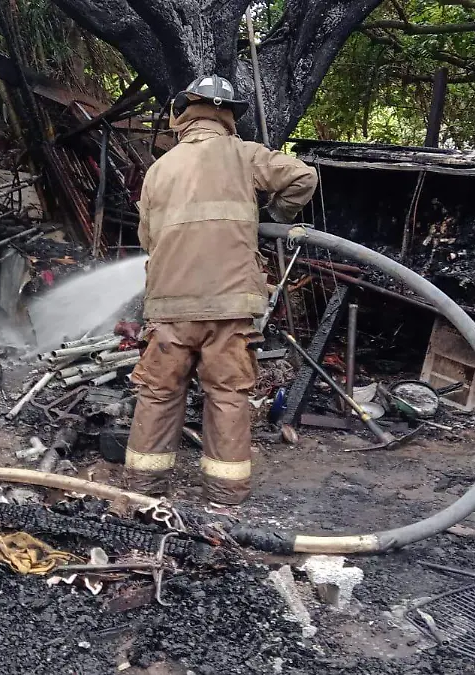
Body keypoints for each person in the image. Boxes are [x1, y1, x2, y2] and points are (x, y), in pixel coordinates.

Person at [124, 75, 317, 506]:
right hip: (229, 308)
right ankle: (225, 497)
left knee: (157, 395)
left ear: (183, 113)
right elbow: (303, 177)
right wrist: (273, 217)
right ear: (229, 115)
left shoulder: (160, 169)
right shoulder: (244, 156)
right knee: (227, 395)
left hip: (170, 309)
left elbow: (146, 239)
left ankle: (143, 492)